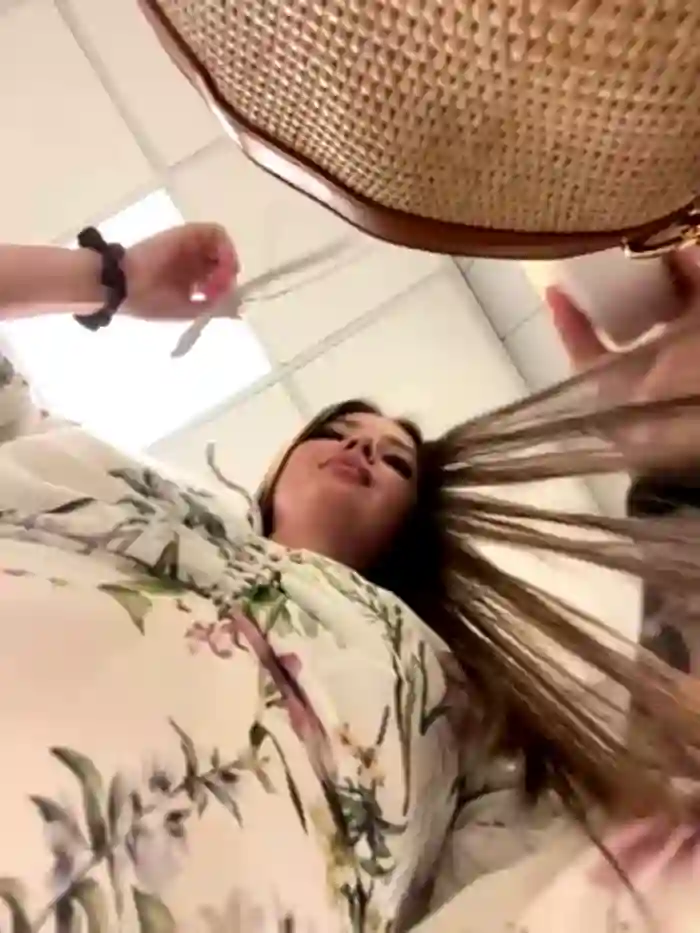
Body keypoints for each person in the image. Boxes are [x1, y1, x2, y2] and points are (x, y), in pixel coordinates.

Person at [2, 223, 700, 933]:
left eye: (394, 461)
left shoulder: (452, 712)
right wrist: (110, 277)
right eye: (337, 433)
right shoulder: (112, 485)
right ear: (279, 465)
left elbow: (624, 866)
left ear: (412, 528)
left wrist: (676, 482)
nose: (361, 447)